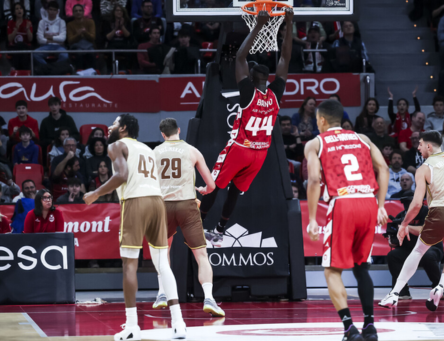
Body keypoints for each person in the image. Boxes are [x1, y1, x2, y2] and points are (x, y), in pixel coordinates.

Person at [84, 114, 187, 340]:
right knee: (162, 265)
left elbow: (122, 175)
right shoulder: (147, 149)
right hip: (157, 202)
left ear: (123, 129)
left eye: (114, 123)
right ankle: (179, 323)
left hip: (135, 202)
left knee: (129, 265)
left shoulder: (115, 145)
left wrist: (95, 193)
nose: (109, 126)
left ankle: (132, 327)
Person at [200, 9, 292, 246]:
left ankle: (197, 226)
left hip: (241, 147)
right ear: (268, 78)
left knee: (213, 185)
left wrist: (258, 26)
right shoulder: (275, 94)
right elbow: (285, 58)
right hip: (260, 154)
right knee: (234, 192)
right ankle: (220, 230)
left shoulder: (248, 91)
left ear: (250, 78)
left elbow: (240, 57)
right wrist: (288, 23)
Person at [305, 99, 388, 341]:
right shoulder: (363, 138)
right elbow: (383, 168)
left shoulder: (316, 143)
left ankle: (349, 329)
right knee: (362, 268)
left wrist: (312, 218)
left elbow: (312, 181)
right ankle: (370, 326)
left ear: (321, 120)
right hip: (368, 202)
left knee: (332, 270)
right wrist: (381, 204)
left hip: (343, 202)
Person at [379, 130, 444, 311]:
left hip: (441, 211)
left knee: (418, 251)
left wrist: (403, 224)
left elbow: (417, 204)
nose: (417, 147)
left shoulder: (424, 168)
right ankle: (440, 286)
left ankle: (394, 293)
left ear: (428, 146)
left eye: (420, 144)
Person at [153, 118, 225, 317]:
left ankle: (161, 293)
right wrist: (203, 189)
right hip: (187, 204)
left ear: (162, 134)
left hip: (163, 206)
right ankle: (209, 298)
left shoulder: (154, 153)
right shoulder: (192, 151)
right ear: (178, 130)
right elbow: (211, 185)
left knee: (163, 251)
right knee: (201, 255)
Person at [386, 191, 444, 299]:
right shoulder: (401, 216)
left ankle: (438, 289)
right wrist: (393, 239)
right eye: (405, 203)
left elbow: (425, 230)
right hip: (409, 249)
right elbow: (396, 241)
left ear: (420, 202)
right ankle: (402, 291)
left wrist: (406, 227)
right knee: (393, 256)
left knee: (428, 256)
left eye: (410, 202)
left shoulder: (430, 213)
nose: (408, 205)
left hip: (431, 247)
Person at [35, 1, 67, 65]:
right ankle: (49, 67)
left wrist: (49, 37)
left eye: (54, 10)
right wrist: (56, 39)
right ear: (47, 10)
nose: (52, 12)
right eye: (50, 9)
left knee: (65, 56)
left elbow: (63, 38)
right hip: (45, 46)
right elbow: (40, 40)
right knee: (35, 54)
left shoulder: (62, 22)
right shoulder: (42, 22)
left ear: (57, 12)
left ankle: (52, 68)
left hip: (59, 46)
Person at [66, 4, 95, 70]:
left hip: (89, 45)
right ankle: (79, 72)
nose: (78, 12)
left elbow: (93, 37)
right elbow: (70, 40)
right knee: (79, 53)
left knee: (91, 52)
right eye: (76, 11)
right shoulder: (70, 24)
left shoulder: (90, 22)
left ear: (83, 12)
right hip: (76, 46)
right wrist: (78, 34)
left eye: (80, 11)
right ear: (73, 13)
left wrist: (85, 33)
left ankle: (93, 72)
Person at [7, 3, 33, 71]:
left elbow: (30, 39)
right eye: (17, 8)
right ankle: (25, 70)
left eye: (21, 8)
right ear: (14, 12)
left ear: (23, 11)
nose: (19, 10)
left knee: (21, 46)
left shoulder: (27, 22)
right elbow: (10, 39)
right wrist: (16, 29)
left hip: (26, 47)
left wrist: (27, 29)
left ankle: (15, 68)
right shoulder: (10, 23)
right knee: (19, 46)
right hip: (13, 47)